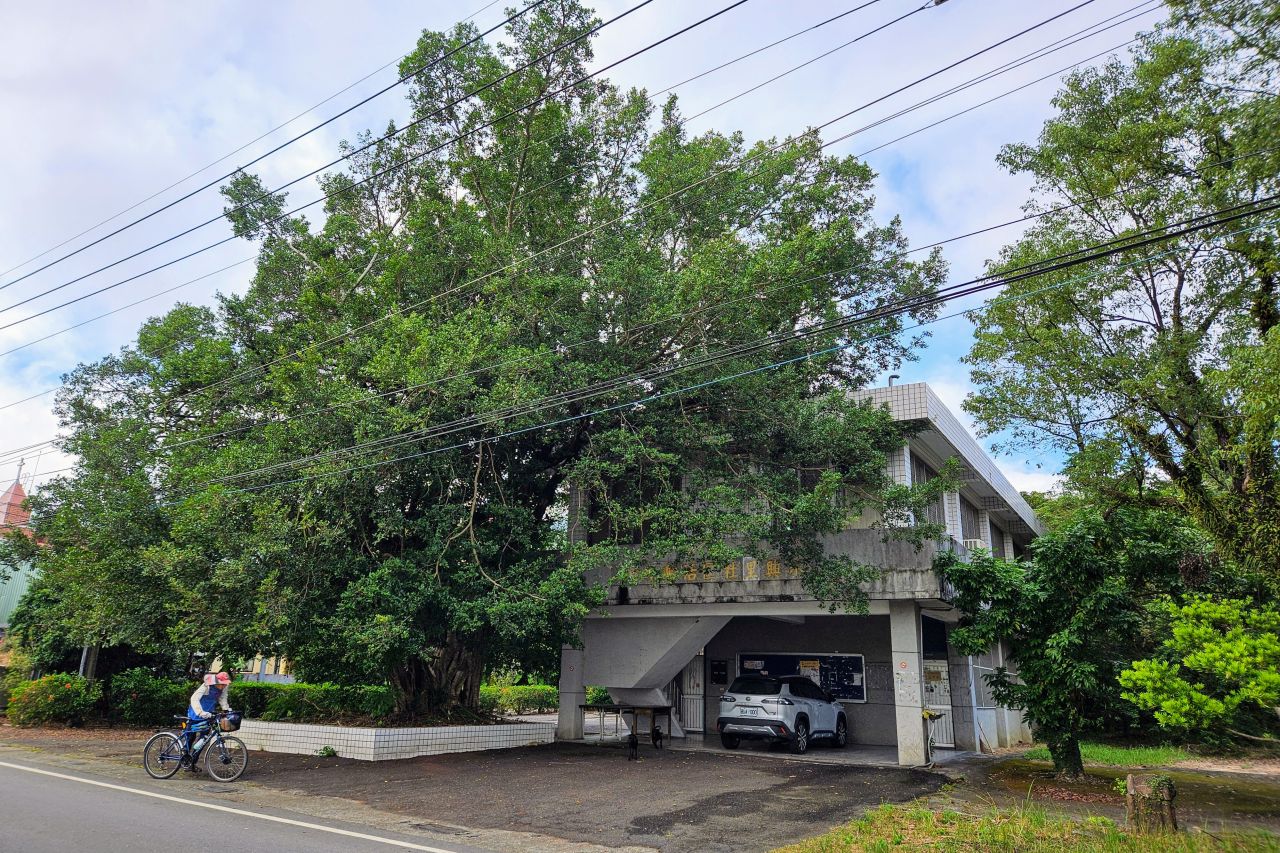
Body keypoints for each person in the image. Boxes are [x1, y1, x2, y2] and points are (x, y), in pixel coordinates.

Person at [185, 672, 233, 752]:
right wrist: (200, 712)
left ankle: (193, 762)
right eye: (222, 684)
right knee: (190, 737)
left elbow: (223, 698)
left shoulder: (224, 687)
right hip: (196, 713)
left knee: (203, 740)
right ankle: (184, 759)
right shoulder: (207, 686)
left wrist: (226, 709)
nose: (223, 686)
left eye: (225, 684)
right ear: (216, 681)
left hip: (209, 714)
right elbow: (194, 698)